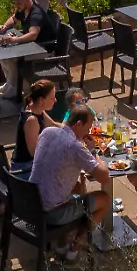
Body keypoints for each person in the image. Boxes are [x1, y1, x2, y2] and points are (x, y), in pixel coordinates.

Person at [29, 104, 111, 249]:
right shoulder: (75, 147)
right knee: (104, 199)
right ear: (79, 124)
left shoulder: (47, 132)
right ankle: (73, 251)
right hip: (51, 213)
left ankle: (64, 240)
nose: (89, 131)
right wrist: (93, 151)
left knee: (79, 188)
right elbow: (104, 177)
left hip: (30, 202)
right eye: (88, 128)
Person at [0, 0, 61, 98]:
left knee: (13, 57)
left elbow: (33, 35)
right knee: (3, 54)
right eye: (16, 4)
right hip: (32, 46)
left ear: (27, 0)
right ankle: (10, 82)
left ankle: (14, 87)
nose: (18, 6)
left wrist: (14, 40)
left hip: (44, 49)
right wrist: (5, 26)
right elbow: (14, 19)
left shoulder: (36, 14)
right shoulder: (23, 10)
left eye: (19, 4)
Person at [14, 79, 61, 173]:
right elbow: (34, 154)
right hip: (25, 169)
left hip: (31, 164)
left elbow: (53, 125)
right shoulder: (32, 120)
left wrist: (72, 130)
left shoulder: (37, 110)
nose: (55, 100)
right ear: (41, 100)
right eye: (52, 98)